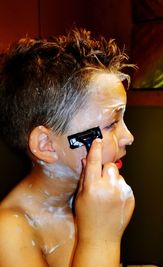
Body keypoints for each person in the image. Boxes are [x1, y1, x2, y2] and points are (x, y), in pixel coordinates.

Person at [0, 28, 135, 267]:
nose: (129, 137)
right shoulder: (9, 232)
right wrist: (101, 240)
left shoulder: (88, 197)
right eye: (112, 123)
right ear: (47, 145)